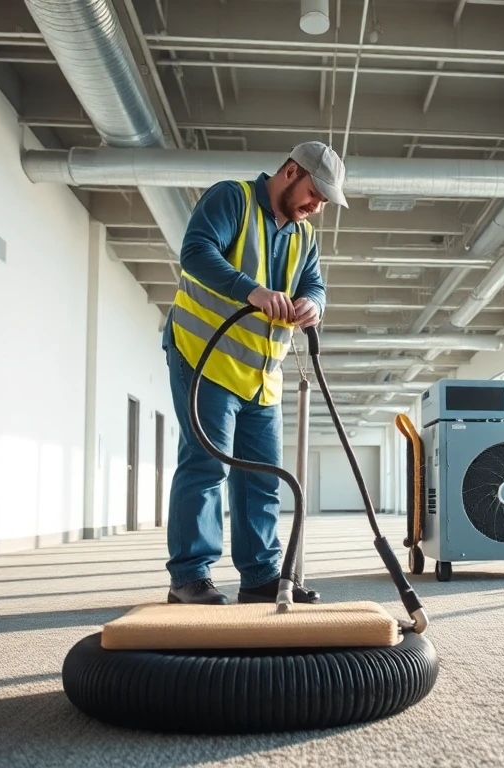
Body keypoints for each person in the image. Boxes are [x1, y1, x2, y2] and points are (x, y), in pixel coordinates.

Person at [160, 141, 348, 606]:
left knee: (262, 478)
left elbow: (314, 283)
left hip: (263, 377)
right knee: (207, 465)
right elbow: (196, 252)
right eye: (314, 193)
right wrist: (253, 291)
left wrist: (314, 303)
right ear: (290, 171)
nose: (316, 206)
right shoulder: (233, 198)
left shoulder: (304, 236)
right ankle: (189, 577)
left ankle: (261, 576)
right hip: (204, 357)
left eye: (324, 201)